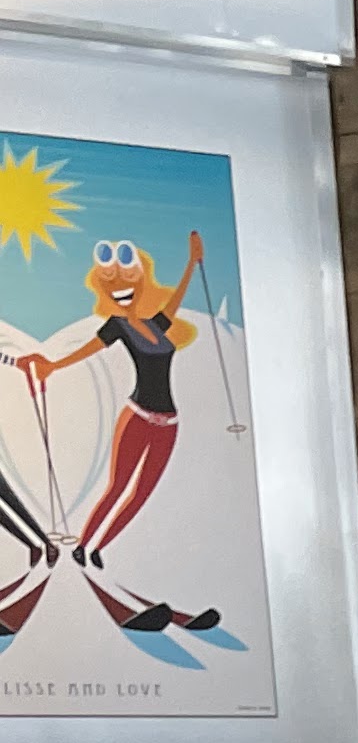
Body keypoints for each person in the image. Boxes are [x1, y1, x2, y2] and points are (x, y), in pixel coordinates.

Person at [17, 228, 209, 569]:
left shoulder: (156, 325)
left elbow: (174, 305)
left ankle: (98, 548)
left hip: (169, 425)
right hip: (138, 417)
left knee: (141, 493)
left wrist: (192, 264)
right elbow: (87, 350)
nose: (122, 288)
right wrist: (53, 366)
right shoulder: (117, 325)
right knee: (118, 486)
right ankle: (82, 545)